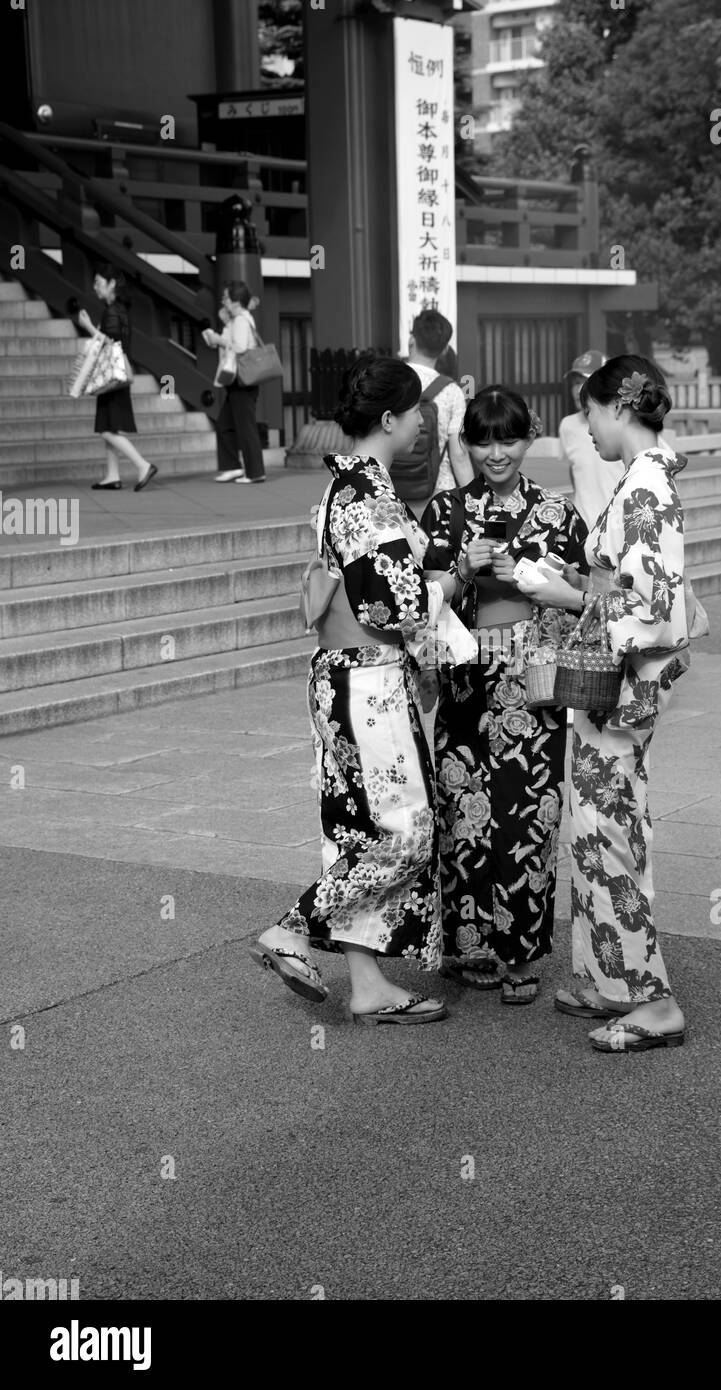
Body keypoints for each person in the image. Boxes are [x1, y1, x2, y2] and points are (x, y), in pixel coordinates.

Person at [250, 356, 446, 1025]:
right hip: (369, 681)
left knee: (358, 830)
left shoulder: (349, 485)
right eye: (415, 409)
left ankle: (366, 985)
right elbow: (400, 607)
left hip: (342, 675)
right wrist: (451, 582)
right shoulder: (372, 494)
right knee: (409, 833)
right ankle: (291, 927)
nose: (423, 420)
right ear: (390, 419)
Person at [515, 356, 689, 1054]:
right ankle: (606, 976)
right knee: (591, 825)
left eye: (589, 412)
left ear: (616, 406)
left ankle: (652, 998)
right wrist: (576, 583)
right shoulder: (645, 479)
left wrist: (567, 594)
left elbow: (649, 604)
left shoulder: (644, 487)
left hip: (621, 685)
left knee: (610, 829)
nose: (584, 426)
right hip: (615, 683)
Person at [420, 387, 588, 1003]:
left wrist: (556, 585)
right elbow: (422, 602)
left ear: (530, 437)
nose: (497, 452)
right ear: (466, 442)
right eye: (484, 439)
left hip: (534, 685)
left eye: (509, 438)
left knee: (529, 816)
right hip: (467, 680)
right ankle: (469, 946)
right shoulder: (443, 512)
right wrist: (463, 569)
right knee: (464, 814)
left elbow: (585, 593)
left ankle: (520, 952)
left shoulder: (559, 512)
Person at [77, 264, 157, 491]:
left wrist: (89, 327)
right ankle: (112, 475)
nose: (95, 287)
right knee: (109, 426)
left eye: (98, 282)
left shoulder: (112, 311)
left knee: (106, 429)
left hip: (112, 376)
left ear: (112, 284)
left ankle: (143, 465)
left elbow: (109, 343)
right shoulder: (120, 309)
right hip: (118, 375)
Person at [202, 281, 266, 483]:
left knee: (245, 427)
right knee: (225, 423)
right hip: (239, 381)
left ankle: (255, 472)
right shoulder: (237, 319)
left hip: (242, 380)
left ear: (236, 301)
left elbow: (238, 347)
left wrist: (219, 340)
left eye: (226, 298)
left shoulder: (241, 320)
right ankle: (233, 467)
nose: (223, 301)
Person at [406, 309, 473, 497]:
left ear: (412, 340)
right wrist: (475, 502)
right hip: (439, 491)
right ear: (444, 350)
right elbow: (459, 455)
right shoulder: (452, 392)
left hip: (392, 490)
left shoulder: (388, 379)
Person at [559, 349, 625, 527]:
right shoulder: (567, 426)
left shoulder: (626, 422)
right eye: (576, 382)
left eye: (585, 381)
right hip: (585, 532)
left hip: (620, 529)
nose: (577, 389)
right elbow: (576, 471)